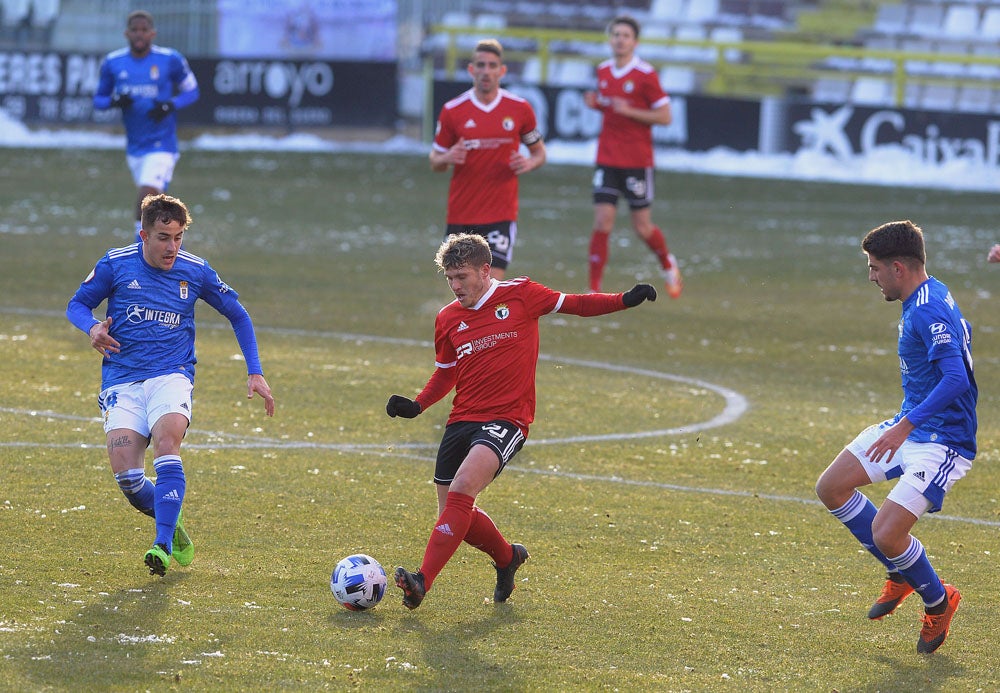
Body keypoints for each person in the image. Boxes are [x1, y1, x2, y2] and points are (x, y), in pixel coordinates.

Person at [385, 232, 657, 609]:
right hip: (461, 420)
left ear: (485, 269)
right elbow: (446, 373)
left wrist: (624, 300)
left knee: (463, 489)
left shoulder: (521, 294)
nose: (455, 286)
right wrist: (418, 405)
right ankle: (507, 557)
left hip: (507, 419)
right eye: (449, 278)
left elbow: (575, 303)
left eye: (461, 277)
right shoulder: (447, 318)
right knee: (454, 512)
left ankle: (421, 582)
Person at [66, 193, 275, 576]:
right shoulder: (115, 264)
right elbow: (76, 305)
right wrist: (93, 327)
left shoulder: (195, 271)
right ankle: (170, 518)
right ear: (143, 234)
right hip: (122, 379)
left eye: (178, 237)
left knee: (167, 444)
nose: (172, 247)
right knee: (129, 479)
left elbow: (238, 315)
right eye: (163, 237)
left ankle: (160, 544)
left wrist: (255, 370)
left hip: (172, 375)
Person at [815, 220, 976, 654]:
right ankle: (901, 572)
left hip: (944, 440)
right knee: (831, 486)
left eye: (874, 268)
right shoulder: (927, 292)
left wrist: (906, 426)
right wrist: (906, 423)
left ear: (899, 267)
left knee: (888, 535)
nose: (871, 276)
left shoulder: (927, 309)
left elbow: (957, 379)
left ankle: (939, 600)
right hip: (912, 423)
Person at [430, 38, 546, 280]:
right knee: (462, 288)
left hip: (500, 214)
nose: (486, 71)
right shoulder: (453, 109)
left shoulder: (519, 108)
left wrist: (529, 163)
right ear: (471, 69)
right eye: (480, 65)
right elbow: (435, 161)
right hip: (461, 214)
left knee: (489, 286)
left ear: (501, 71)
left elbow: (539, 153)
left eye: (492, 65)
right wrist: (449, 156)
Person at [583, 15, 682, 298]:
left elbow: (665, 116)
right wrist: (597, 105)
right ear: (610, 39)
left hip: (637, 161)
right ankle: (594, 290)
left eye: (626, 35)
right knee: (602, 221)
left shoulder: (645, 74)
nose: (620, 39)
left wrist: (630, 111)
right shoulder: (602, 71)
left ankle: (667, 264)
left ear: (635, 42)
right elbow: (612, 107)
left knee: (642, 227)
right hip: (607, 157)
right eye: (616, 34)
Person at [93, 10, 200, 242]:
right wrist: (114, 101)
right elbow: (98, 100)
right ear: (127, 33)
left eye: (144, 30)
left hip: (163, 143)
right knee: (158, 203)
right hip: (135, 146)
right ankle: (168, 242)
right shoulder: (113, 63)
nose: (139, 34)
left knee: (147, 193)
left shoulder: (170, 59)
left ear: (152, 33)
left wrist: (170, 105)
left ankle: (138, 244)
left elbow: (192, 91)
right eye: (135, 30)